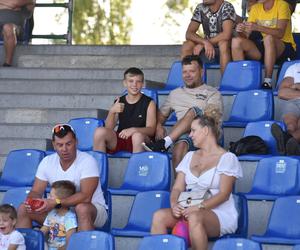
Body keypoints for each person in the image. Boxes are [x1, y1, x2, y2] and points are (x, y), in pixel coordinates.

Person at [151, 108, 243, 250]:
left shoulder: (227, 158)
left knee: (195, 216)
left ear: (205, 131)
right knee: (159, 216)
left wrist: (198, 207)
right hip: (189, 207)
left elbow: (224, 194)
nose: (190, 135)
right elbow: (177, 188)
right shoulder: (189, 156)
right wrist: (175, 204)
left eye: (193, 130)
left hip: (218, 213)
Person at [17, 123, 107, 231]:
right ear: (54, 145)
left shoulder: (87, 161)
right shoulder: (47, 162)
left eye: (68, 144)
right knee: (24, 208)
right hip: (58, 211)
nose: (64, 149)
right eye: (60, 145)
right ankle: (21, 246)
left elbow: (86, 197)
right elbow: (36, 191)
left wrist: (56, 202)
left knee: (82, 208)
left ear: (76, 142)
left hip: (92, 210)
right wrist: (31, 202)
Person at [143, 55, 223, 169]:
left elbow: (210, 120)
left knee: (194, 111)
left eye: (192, 71)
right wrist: (159, 125)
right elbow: (160, 116)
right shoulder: (175, 94)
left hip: (207, 134)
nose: (187, 75)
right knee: (180, 146)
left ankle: (165, 142)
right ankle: (179, 186)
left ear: (201, 71)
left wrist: (189, 122)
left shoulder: (212, 93)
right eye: (185, 72)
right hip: (185, 135)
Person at [231, 0, 296, 89]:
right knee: (236, 41)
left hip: (283, 48)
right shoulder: (255, 8)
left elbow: (280, 33)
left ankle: (267, 81)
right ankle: (242, 80)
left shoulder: (282, 5)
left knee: (268, 38)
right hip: (264, 47)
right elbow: (246, 36)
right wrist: (240, 31)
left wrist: (258, 27)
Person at [93, 67, 156, 153]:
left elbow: (151, 130)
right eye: (131, 81)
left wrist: (134, 130)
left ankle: (136, 166)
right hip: (122, 138)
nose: (134, 84)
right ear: (125, 83)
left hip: (141, 139)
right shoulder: (119, 102)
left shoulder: (149, 102)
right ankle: (98, 165)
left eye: (138, 81)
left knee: (137, 136)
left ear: (142, 84)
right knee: (99, 131)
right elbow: (108, 128)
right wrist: (112, 111)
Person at [181, 0, 236, 75]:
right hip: (207, 50)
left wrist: (205, 43)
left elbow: (226, 34)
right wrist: (204, 42)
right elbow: (189, 33)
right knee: (187, 45)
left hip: (227, 51)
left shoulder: (227, 6)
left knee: (223, 43)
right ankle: (188, 82)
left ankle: (226, 83)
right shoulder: (200, 7)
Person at [271, 62, 300, 155]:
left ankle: (285, 139)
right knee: (291, 125)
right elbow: (282, 92)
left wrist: (296, 86)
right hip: (294, 101)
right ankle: (291, 146)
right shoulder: (294, 68)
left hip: (294, 97)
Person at [40, 180, 77, 250]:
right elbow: (43, 231)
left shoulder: (69, 218)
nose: (48, 199)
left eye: (51, 196)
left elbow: (70, 243)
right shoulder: (52, 213)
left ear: (60, 200)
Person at [0, 0, 35, 66]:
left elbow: (15, 3)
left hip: (16, 28)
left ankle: (7, 64)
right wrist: (9, 6)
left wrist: (3, 5)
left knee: (8, 27)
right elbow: (12, 4)